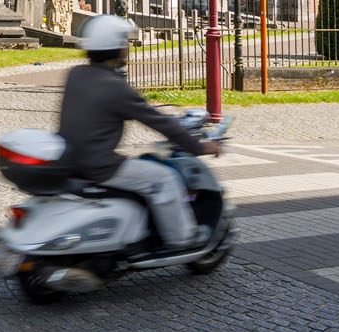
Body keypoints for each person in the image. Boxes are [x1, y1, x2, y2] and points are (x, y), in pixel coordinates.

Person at [56, 14, 221, 251]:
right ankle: (183, 238)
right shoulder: (114, 87)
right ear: (116, 48)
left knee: (144, 167)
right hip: (99, 165)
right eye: (124, 42)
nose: (127, 47)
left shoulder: (76, 75)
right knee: (164, 178)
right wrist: (201, 146)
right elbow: (157, 122)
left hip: (70, 159)